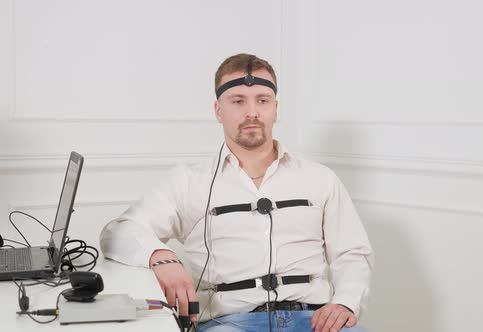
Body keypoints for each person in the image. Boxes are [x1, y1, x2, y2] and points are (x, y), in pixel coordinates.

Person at [100, 53, 374, 332]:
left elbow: (351, 253)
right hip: (228, 323)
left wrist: (345, 303)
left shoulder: (320, 178)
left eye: (262, 101)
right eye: (238, 101)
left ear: (276, 109)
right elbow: (118, 231)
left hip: (314, 320)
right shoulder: (187, 181)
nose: (252, 112)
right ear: (219, 110)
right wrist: (160, 256)